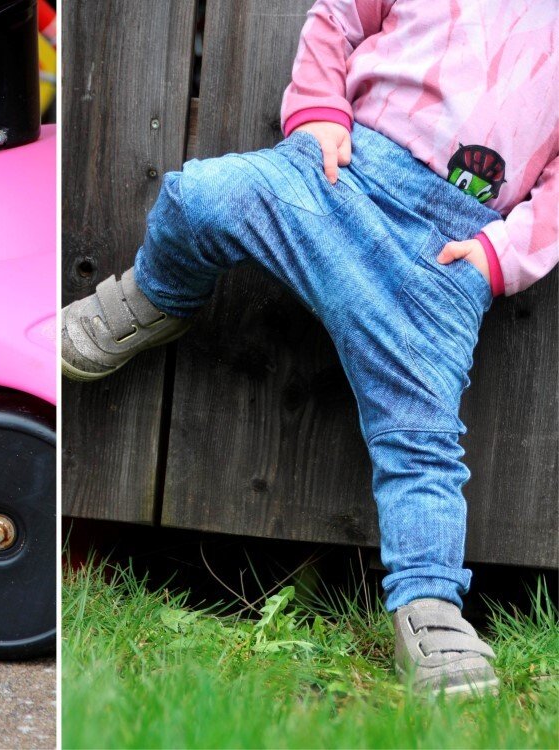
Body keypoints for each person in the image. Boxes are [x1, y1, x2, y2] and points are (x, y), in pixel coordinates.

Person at [61, 0, 556, 695]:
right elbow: (339, 17)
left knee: (422, 442)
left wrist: (495, 257)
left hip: (443, 255)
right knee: (202, 198)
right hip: (341, 172)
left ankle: (430, 607)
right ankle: (158, 298)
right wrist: (321, 110)